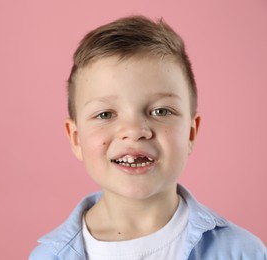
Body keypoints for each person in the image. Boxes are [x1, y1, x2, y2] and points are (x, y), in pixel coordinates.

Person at [29, 15, 267, 259]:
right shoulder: (49, 256)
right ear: (76, 139)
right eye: (105, 114)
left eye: (161, 111)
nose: (134, 131)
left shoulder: (243, 252)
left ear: (191, 133)